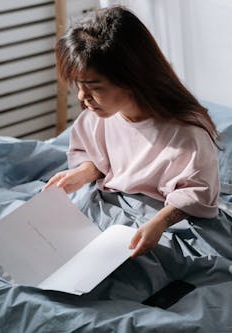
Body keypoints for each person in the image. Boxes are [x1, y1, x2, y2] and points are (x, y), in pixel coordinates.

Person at [44, 5, 220, 258]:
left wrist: (159, 224)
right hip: (104, 206)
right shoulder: (96, 117)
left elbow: (196, 194)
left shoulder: (186, 134)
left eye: (93, 87)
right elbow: (91, 153)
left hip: (154, 220)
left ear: (132, 77)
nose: (83, 98)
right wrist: (84, 172)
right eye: (79, 86)